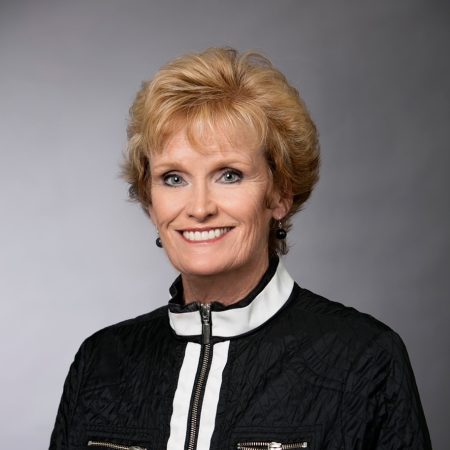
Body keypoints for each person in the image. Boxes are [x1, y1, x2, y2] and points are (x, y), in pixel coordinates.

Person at [50, 48, 431, 450]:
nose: (199, 208)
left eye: (229, 175)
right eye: (174, 178)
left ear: (281, 194)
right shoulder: (101, 361)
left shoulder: (363, 358)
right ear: (150, 200)